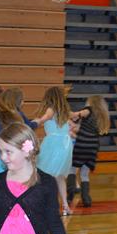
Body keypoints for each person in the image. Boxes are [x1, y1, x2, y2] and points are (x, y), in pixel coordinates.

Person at [34, 87, 74, 215]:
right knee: (60, 177)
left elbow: (46, 117)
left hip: (53, 144)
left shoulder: (51, 109)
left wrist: (36, 122)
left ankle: (45, 203)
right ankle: (66, 206)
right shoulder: (64, 112)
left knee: (43, 174)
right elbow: (72, 123)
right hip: (65, 146)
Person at [68, 95, 110, 207]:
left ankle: (70, 194)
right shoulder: (101, 116)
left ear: (91, 103)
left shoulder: (88, 111)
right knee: (84, 175)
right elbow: (84, 129)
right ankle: (86, 198)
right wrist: (76, 126)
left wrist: (66, 113)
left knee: (72, 170)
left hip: (81, 145)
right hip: (93, 147)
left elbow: (74, 115)